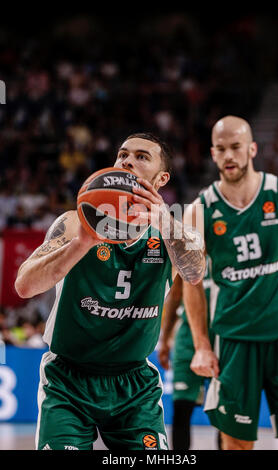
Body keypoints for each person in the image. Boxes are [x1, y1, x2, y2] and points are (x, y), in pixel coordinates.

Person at [15, 133, 206, 451]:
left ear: (162, 179)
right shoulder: (76, 223)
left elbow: (195, 273)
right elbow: (24, 286)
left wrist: (165, 222)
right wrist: (82, 244)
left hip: (134, 384)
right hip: (68, 379)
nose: (127, 161)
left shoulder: (174, 235)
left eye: (142, 157)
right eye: (122, 154)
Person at [183, 115, 278, 450]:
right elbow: (191, 283)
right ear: (213, 154)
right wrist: (202, 345)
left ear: (252, 149)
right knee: (235, 444)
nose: (229, 155)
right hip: (234, 341)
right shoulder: (198, 211)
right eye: (221, 149)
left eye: (236, 147)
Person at [158, 259, 214, 450]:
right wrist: (165, 339)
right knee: (182, 408)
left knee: (225, 412)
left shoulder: (226, 242)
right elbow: (175, 296)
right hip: (187, 337)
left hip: (223, 334)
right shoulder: (189, 250)